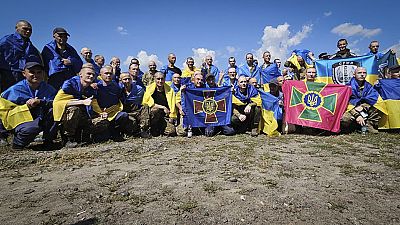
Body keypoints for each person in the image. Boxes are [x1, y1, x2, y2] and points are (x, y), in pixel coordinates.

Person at [0, 62, 57, 149]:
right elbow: (3, 109)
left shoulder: (49, 88)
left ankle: (48, 141)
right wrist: (26, 107)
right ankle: (17, 144)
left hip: (41, 117)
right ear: (24, 73)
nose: (36, 75)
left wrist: (40, 102)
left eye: (39, 72)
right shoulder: (14, 90)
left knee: (55, 110)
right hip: (22, 119)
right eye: (32, 72)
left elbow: (56, 102)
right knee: (32, 128)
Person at [53, 63, 106, 147]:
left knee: (103, 121)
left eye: (93, 74)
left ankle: (83, 137)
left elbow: (94, 104)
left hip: (83, 116)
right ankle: (68, 139)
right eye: (88, 74)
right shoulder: (69, 84)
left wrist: (101, 113)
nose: (91, 76)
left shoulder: (91, 89)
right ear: (81, 74)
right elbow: (57, 102)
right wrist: (82, 102)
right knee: (74, 109)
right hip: (65, 115)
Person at [0, 20, 42, 92]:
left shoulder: (31, 46)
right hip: (7, 75)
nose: (28, 31)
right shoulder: (6, 41)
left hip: (24, 76)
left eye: (30, 30)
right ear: (17, 28)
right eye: (25, 29)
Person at [341, 67, 382, 134]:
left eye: (364, 73)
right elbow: (345, 103)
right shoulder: (347, 87)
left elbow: (374, 99)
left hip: (364, 108)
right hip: (351, 109)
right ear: (354, 75)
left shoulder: (369, 87)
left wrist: (363, 107)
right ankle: (353, 127)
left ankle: (368, 125)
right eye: (359, 73)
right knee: (344, 119)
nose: (362, 74)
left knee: (378, 106)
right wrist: (356, 114)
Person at [142, 72, 177, 136]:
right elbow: (147, 103)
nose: (160, 81)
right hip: (153, 116)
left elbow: (172, 105)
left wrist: (172, 116)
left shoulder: (170, 90)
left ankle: (161, 129)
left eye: (162, 79)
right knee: (155, 110)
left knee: (171, 131)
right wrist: (163, 107)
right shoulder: (149, 89)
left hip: (165, 116)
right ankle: (151, 128)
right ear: (154, 79)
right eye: (158, 79)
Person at [119, 72, 150, 138]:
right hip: (126, 112)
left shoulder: (139, 89)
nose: (127, 81)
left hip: (137, 110)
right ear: (121, 80)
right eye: (125, 79)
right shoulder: (118, 89)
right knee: (131, 121)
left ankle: (143, 129)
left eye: (128, 79)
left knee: (145, 107)